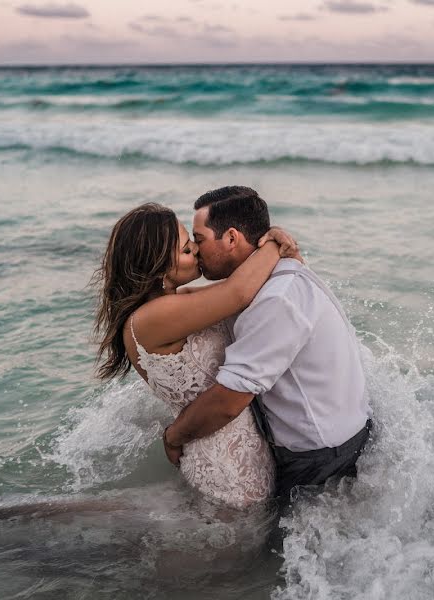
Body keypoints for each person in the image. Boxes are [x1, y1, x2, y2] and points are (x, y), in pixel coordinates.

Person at [163, 186, 373, 501]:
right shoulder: (267, 276)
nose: (194, 248)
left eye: (200, 238)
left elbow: (228, 401)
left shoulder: (277, 298)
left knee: (274, 548)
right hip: (335, 436)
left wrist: (174, 436)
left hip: (319, 456)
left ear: (231, 238)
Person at [93, 201, 301, 509]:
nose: (197, 255)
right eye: (188, 251)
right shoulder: (151, 319)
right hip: (227, 472)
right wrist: (274, 242)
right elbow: (237, 292)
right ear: (159, 267)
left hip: (231, 450)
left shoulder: (176, 303)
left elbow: (239, 293)